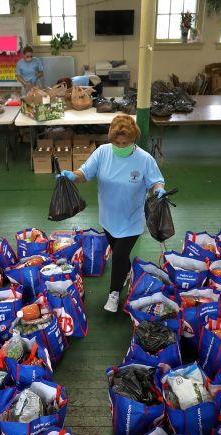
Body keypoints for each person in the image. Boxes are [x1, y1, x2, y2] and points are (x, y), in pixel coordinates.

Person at [57, 115, 165, 312]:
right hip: (108, 218)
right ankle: (128, 272)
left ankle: (114, 295)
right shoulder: (102, 153)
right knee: (120, 255)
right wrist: (72, 176)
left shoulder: (144, 159)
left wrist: (158, 189)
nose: (121, 146)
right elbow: (84, 173)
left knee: (118, 257)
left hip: (131, 220)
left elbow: (156, 181)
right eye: (117, 142)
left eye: (126, 142)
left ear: (134, 140)